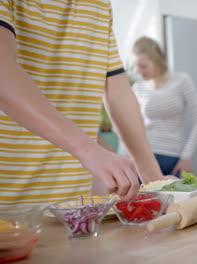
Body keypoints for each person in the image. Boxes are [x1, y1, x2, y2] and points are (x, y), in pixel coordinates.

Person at [0, 0, 172, 207]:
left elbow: (116, 89)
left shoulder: (100, 3)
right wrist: (87, 149)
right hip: (10, 203)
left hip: (75, 205)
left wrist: (153, 180)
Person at [131, 37, 197, 177]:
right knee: (147, 199)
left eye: (143, 66)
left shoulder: (182, 81)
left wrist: (186, 156)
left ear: (158, 61)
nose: (139, 71)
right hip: (146, 158)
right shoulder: (138, 87)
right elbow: (134, 125)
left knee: (179, 198)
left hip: (175, 159)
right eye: (136, 66)